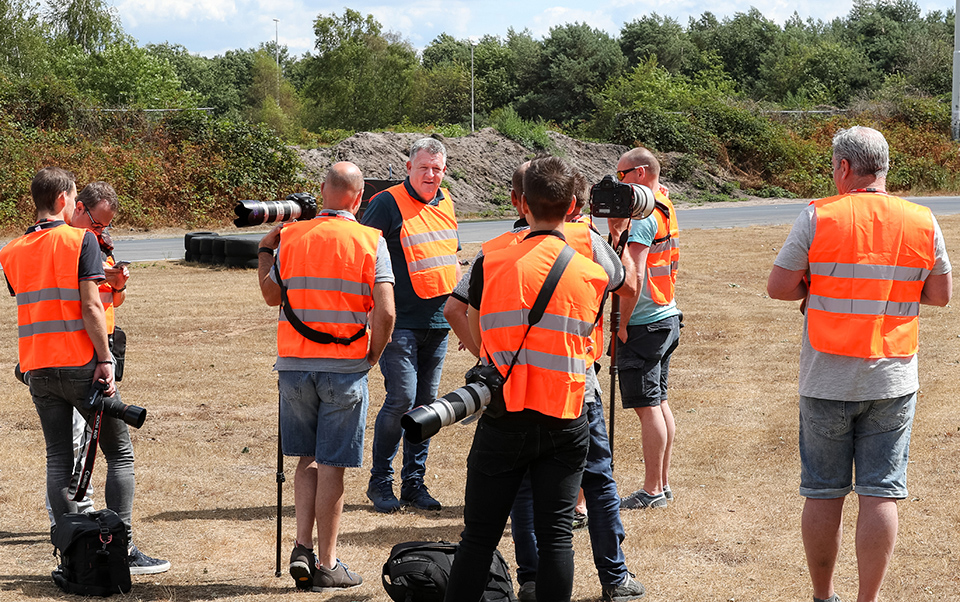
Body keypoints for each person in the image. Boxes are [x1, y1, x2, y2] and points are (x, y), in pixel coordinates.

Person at [767, 126, 951, 602]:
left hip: (826, 376)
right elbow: (940, 295)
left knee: (823, 493)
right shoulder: (921, 218)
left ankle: (823, 596)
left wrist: (819, 288)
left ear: (845, 168)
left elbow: (780, 286)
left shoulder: (819, 215)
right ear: (883, 167)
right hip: (892, 375)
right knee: (881, 492)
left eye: (834, 168)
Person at [446, 162, 643, 601]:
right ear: (574, 207)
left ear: (519, 203)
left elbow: (460, 309)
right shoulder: (592, 270)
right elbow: (624, 280)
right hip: (567, 412)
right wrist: (617, 234)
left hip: (505, 412)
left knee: (478, 537)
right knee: (557, 536)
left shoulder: (490, 259)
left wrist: (487, 354)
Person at [0, 167, 169, 575]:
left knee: (58, 458)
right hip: (80, 363)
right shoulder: (82, 240)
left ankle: (71, 552)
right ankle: (121, 551)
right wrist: (105, 359)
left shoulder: (11, 249)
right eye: (75, 199)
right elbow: (92, 306)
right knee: (120, 455)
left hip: (37, 367)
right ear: (63, 201)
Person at [258, 161, 396, 591]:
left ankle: (300, 546)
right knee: (333, 464)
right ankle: (327, 563)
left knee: (306, 459)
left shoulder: (293, 236)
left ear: (323, 192)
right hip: (346, 368)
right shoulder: (371, 240)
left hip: (295, 366)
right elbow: (387, 311)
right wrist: (373, 354)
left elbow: (270, 295)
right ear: (359, 198)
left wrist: (266, 249)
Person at [362, 137, 459, 512]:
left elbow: (450, 255)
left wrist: (461, 313)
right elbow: (365, 255)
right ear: (408, 168)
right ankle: (380, 481)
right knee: (401, 398)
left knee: (426, 406)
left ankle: (413, 484)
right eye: (424, 168)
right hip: (398, 322)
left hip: (438, 322)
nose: (430, 175)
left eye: (436, 169)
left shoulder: (447, 201)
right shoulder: (386, 203)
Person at [41, 182, 130, 525]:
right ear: (77, 208)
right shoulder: (69, 245)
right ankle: (75, 521)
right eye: (96, 222)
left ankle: (79, 518)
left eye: (106, 225)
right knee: (79, 445)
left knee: (84, 442)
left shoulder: (96, 244)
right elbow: (81, 302)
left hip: (99, 347)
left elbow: (110, 300)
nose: (101, 231)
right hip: (76, 356)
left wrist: (117, 282)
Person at [611, 147, 681, 510]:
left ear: (639, 173)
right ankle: (662, 484)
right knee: (660, 402)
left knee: (647, 407)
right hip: (666, 316)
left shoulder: (642, 217)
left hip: (643, 322)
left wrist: (619, 324)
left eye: (621, 176)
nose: (616, 183)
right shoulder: (664, 203)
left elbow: (632, 277)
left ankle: (652, 489)